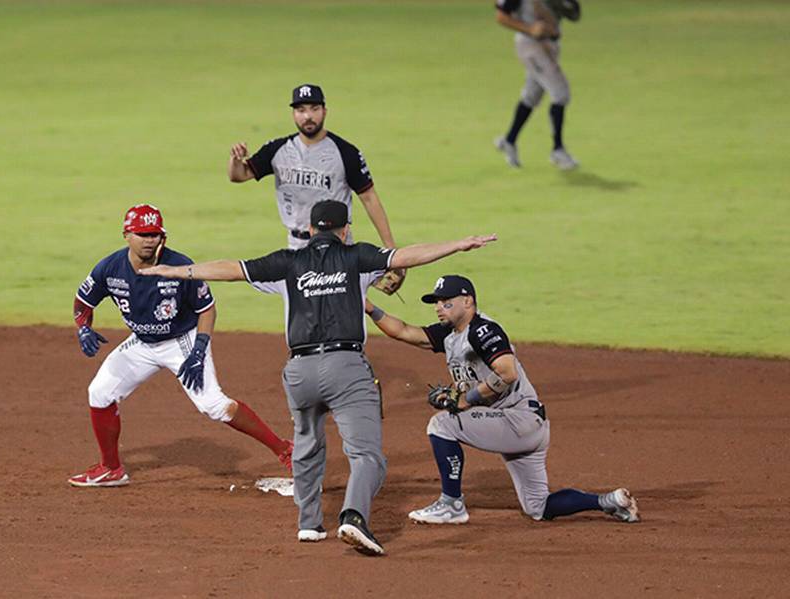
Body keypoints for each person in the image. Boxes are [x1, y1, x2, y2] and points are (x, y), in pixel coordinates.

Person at [140, 201, 497, 556]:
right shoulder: (357, 256)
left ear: (310, 231)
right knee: (366, 454)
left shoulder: (288, 262)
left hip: (299, 373)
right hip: (346, 368)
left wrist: (172, 271)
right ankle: (353, 517)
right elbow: (405, 257)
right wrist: (458, 244)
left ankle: (309, 524)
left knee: (308, 444)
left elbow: (231, 268)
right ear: (345, 230)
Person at [365, 275, 640, 525]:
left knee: (441, 425)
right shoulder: (450, 333)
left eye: (446, 303)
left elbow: (507, 372)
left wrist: (466, 399)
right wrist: (367, 306)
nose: (439, 308)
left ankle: (451, 504)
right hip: (523, 426)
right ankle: (610, 502)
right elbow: (401, 331)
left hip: (518, 420)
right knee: (538, 507)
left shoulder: (483, 330)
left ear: (468, 301)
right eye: (437, 303)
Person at [68, 204, 293, 487]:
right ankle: (111, 468)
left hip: (182, 341)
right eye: (143, 234)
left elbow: (207, 309)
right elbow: (83, 302)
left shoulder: (178, 266)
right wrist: (83, 329)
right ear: (126, 234)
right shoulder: (109, 268)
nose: (150, 240)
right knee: (99, 393)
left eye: (155, 234)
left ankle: (284, 449)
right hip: (142, 342)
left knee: (214, 406)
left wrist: (199, 349)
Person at [227, 83, 406, 295]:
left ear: (324, 111)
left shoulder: (345, 152)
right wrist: (235, 160)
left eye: (314, 108)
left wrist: (392, 252)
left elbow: (369, 198)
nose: (308, 116)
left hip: (338, 245)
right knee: (302, 314)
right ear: (293, 114)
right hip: (297, 246)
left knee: (343, 310)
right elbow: (239, 175)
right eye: (301, 110)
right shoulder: (278, 150)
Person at [492, 0, 582, 170]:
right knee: (561, 93)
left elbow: (574, 13)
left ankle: (509, 141)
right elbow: (501, 17)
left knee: (531, 96)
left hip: (550, 46)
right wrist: (529, 29)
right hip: (531, 45)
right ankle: (558, 150)